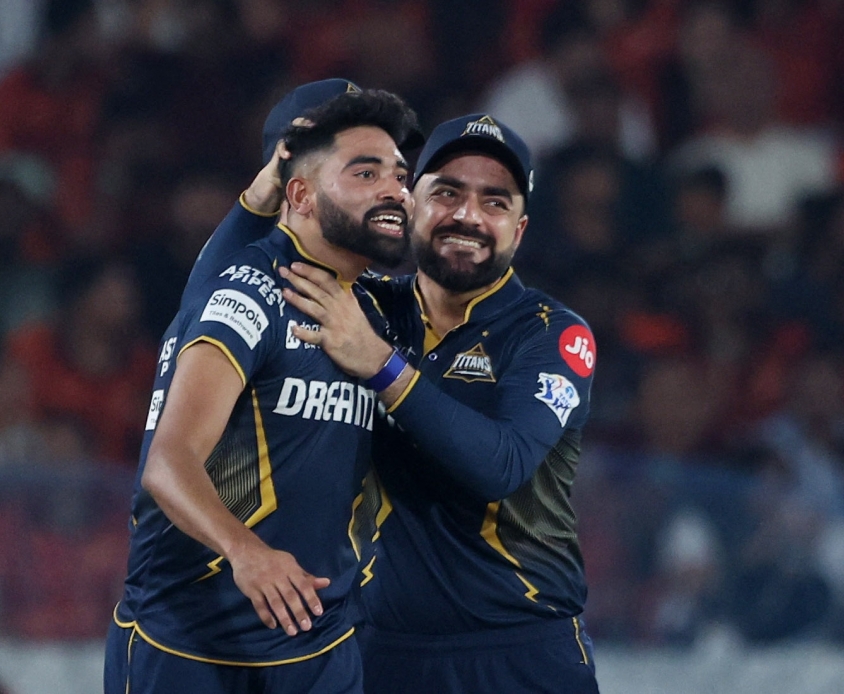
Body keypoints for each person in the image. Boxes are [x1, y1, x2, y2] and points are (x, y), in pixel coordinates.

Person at [219, 113, 601, 693]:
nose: (468, 216)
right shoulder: (362, 306)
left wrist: (380, 364)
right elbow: (224, 288)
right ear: (410, 204)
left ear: (519, 230)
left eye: (495, 202)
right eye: (447, 192)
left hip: (523, 654)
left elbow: (501, 465)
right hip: (381, 652)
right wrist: (261, 193)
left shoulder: (552, 334)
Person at [103, 88, 419, 694]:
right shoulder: (247, 294)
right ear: (297, 192)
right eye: (365, 172)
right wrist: (246, 552)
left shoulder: (377, 310)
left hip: (320, 643)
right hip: (192, 642)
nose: (394, 191)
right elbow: (168, 463)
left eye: (400, 176)